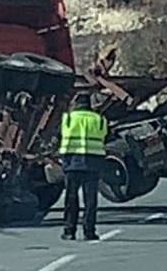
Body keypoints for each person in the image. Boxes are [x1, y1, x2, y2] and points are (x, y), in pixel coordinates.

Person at [58, 92, 108, 241]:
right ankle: (89, 231)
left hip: (73, 163)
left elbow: (61, 135)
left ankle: (69, 231)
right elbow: (104, 135)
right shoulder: (99, 119)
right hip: (93, 163)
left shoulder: (68, 119)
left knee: (71, 199)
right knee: (90, 200)